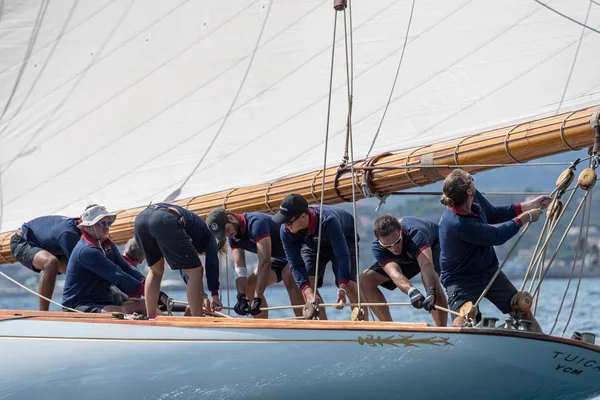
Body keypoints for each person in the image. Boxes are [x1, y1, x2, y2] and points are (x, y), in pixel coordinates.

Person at [438, 169, 550, 330]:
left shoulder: (473, 198)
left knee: (522, 308)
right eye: (470, 179)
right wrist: (526, 217)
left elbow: (493, 214)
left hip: (488, 271)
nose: (473, 180)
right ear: (468, 190)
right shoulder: (457, 224)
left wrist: (529, 205)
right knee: (463, 322)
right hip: (460, 280)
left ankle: (543, 349)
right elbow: (497, 236)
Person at [273, 194, 361, 320]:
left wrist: (342, 287)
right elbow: (295, 264)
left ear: (303, 216)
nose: (285, 225)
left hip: (345, 237)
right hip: (312, 242)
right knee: (308, 285)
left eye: (288, 222)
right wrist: (308, 292)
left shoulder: (328, 221)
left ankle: (361, 323)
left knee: (349, 286)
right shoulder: (286, 231)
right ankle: (322, 327)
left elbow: (342, 255)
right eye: (283, 221)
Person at [206, 208, 304, 318]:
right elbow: (239, 268)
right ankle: (263, 328)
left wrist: (257, 298)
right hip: (282, 257)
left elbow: (265, 262)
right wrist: (241, 296)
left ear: (231, 218)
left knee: (289, 276)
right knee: (249, 286)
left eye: (227, 230)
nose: (228, 235)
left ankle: (306, 324)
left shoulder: (256, 223)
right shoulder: (233, 237)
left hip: (299, 250)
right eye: (225, 234)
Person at [134, 203, 222, 318]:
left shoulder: (191, 231)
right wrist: (214, 295)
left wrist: (203, 295)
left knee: (155, 271)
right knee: (196, 271)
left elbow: (184, 268)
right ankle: (198, 319)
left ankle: (151, 316)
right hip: (163, 219)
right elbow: (212, 264)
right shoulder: (210, 236)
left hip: (141, 219)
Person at [360, 215, 447, 326]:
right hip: (406, 256)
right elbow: (394, 273)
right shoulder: (377, 246)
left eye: (397, 242)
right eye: (388, 246)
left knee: (432, 281)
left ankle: (441, 330)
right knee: (364, 279)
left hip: (433, 246)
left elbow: (426, 265)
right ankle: (389, 328)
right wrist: (412, 292)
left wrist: (430, 292)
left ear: (401, 231)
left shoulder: (416, 233)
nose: (394, 248)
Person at [62, 205, 146, 314]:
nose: (106, 227)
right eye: (102, 223)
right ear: (88, 227)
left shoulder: (107, 244)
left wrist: (144, 281)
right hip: (78, 304)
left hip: (102, 298)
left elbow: (126, 267)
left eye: (108, 223)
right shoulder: (87, 251)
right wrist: (145, 290)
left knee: (144, 305)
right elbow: (117, 275)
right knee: (124, 311)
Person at [9, 215, 81, 310]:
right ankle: (43, 312)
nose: (105, 227)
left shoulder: (96, 234)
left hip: (51, 246)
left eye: (108, 223)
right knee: (50, 262)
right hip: (23, 241)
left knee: (75, 272)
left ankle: (78, 306)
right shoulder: (69, 232)